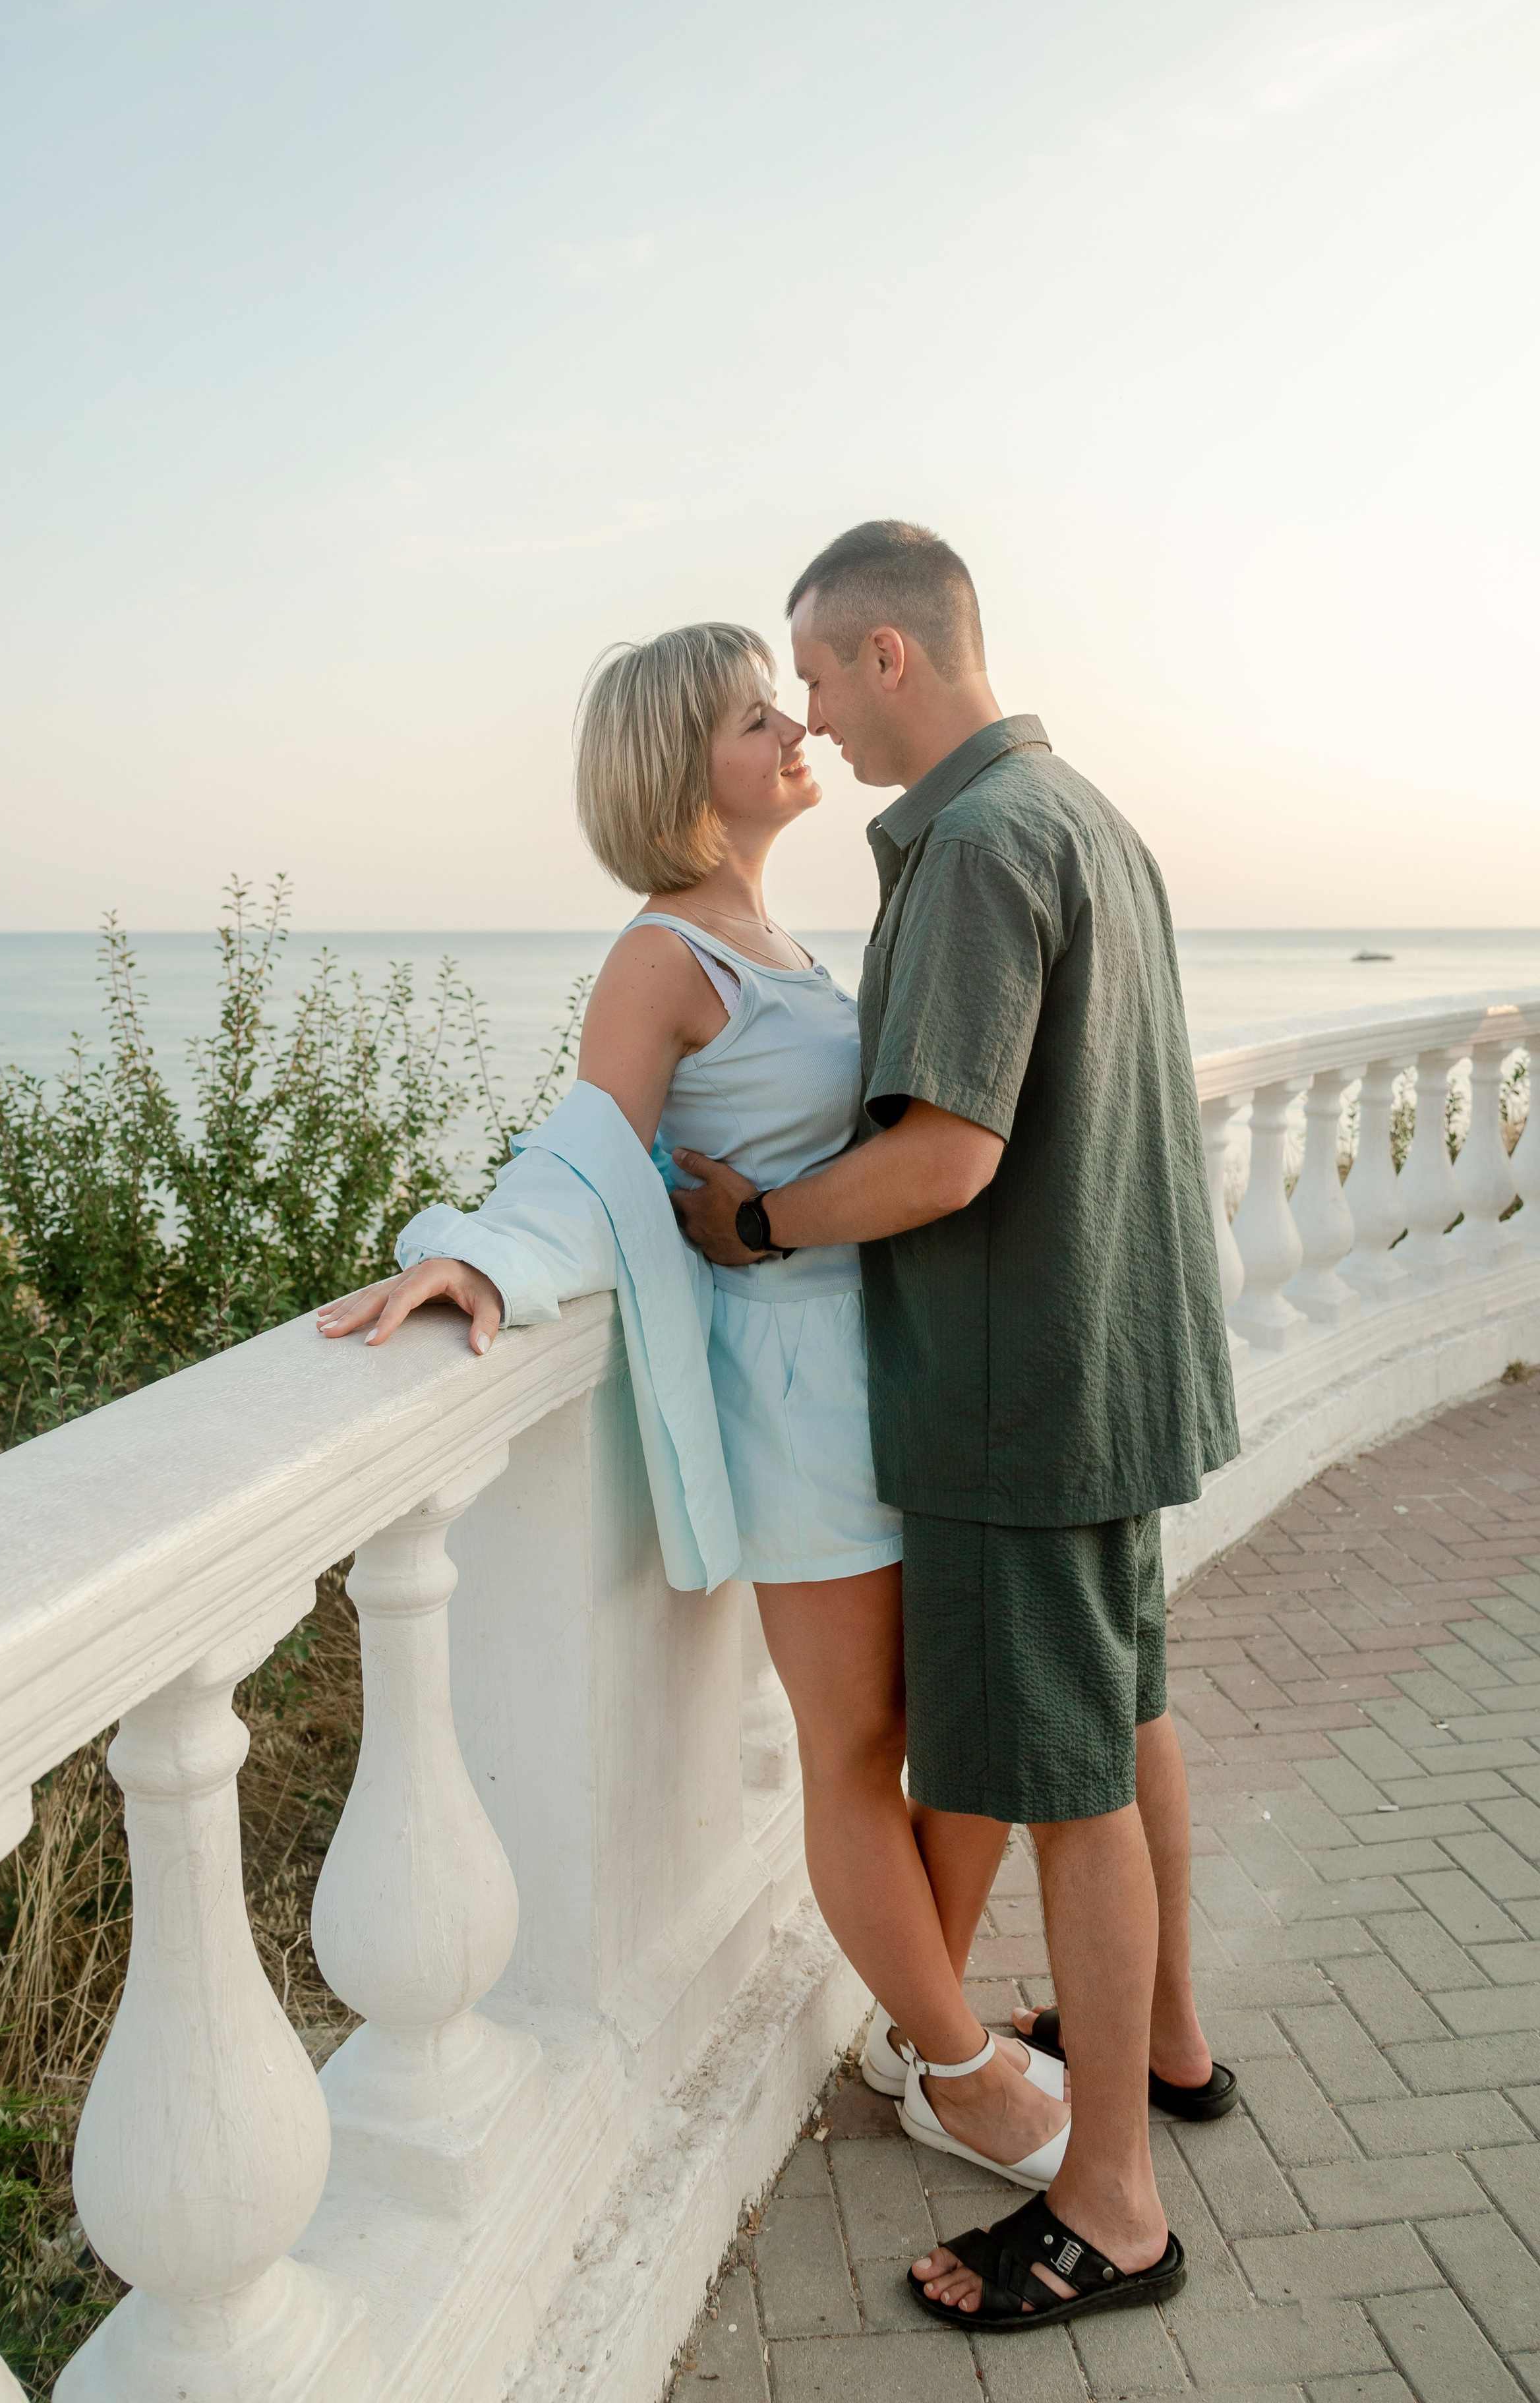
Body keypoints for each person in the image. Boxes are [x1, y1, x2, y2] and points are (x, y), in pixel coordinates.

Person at [315, 620, 1071, 2195]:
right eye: (751, 716)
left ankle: (917, 2027)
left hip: (899, 1363)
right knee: (859, 1745)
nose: (796, 723)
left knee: (964, 1725)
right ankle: (958, 2065)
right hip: (792, 1396)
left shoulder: (784, 934)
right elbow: (586, 1158)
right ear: (683, 771)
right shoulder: (660, 956)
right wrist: (473, 1259)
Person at [672, 522, 1241, 2334]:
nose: (817, 721)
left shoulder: (984, 844)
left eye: (820, 677)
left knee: (1061, 1782)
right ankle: (1164, 2047)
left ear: (890, 657)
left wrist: (751, 1223)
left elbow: (950, 1155)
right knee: (1125, 1712)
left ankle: (1112, 2209)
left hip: (1018, 1401)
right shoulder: (1084, 815)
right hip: (1119, 1366)